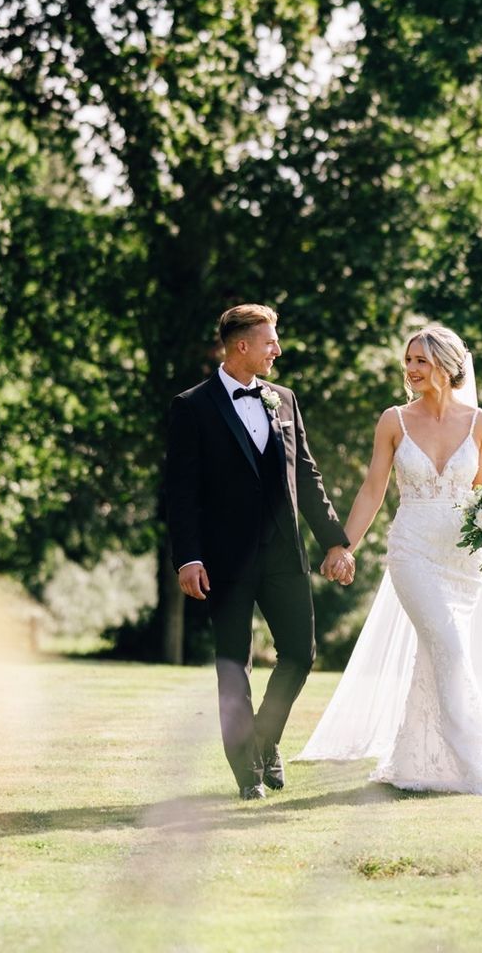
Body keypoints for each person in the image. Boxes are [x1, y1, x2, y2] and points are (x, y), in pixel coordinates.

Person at [297, 325, 482, 796]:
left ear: (448, 367)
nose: (410, 370)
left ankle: (422, 762)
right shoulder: (394, 421)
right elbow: (373, 489)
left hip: (462, 561)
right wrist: (343, 544)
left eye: (420, 361)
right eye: (408, 360)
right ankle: (476, 765)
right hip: (411, 551)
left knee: (441, 653)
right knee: (449, 645)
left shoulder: (481, 424)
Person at [161, 304, 349, 800]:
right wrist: (189, 557)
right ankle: (246, 775)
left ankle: (263, 742)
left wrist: (334, 538)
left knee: (300, 654)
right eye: (270, 341)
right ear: (242, 346)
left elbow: (306, 476)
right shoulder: (192, 407)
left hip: (285, 553)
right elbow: (181, 492)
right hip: (222, 560)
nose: (277, 350)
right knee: (233, 665)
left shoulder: (284, 400)